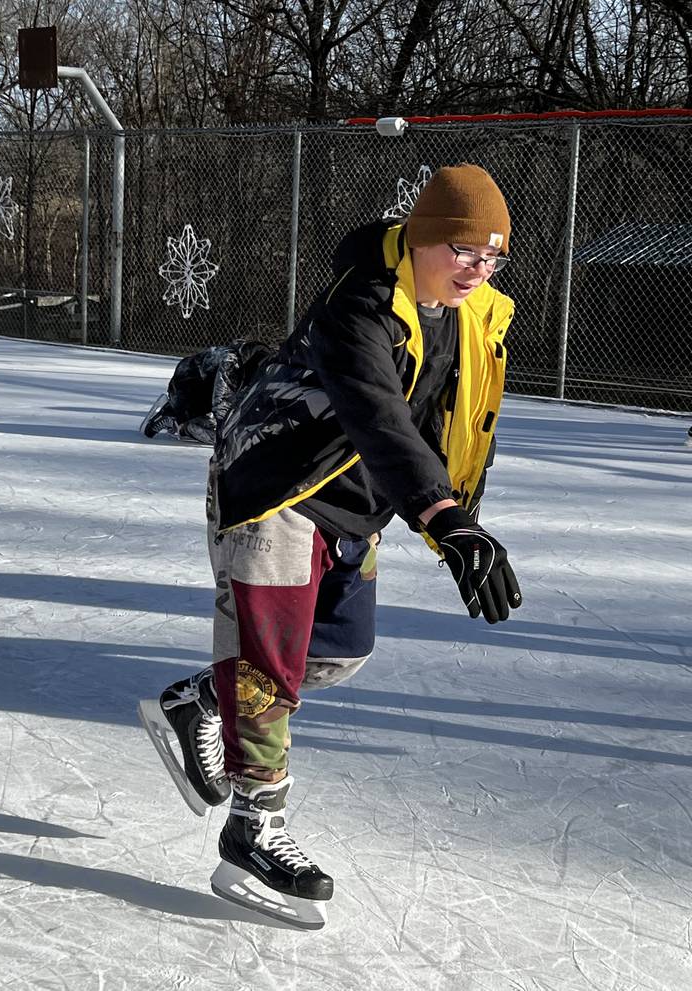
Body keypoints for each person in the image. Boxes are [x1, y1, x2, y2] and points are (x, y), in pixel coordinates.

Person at [139, 163, 522, 929]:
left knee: (343, 652)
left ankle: (200, 701)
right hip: (275, 490)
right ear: (422, 238)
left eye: (493, 257)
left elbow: (456, 424)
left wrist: (461, 521)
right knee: (267, 669)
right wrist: (442, 513)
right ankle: (254, 830)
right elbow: (379, 414)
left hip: (356, 508)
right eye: (465, 252)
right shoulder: (361, 304)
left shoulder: (471, 314)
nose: (479, 270)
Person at [138, 339, 271, 444]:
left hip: (196, 389)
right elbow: (222, 403)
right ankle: (177, 420)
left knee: (229, 429)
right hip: (185, 389)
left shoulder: (244, 359)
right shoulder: (231, 363)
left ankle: (179, 416)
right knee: (224, 439)